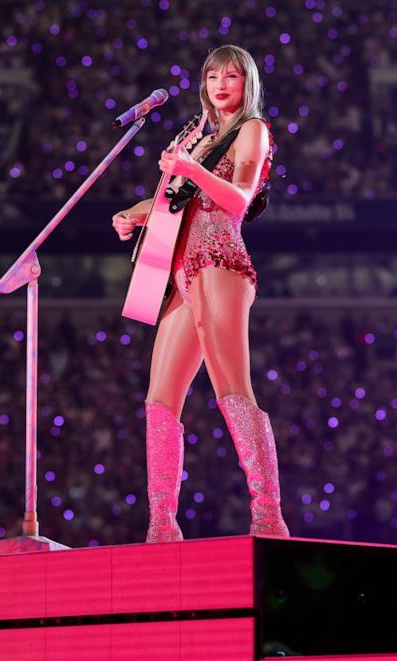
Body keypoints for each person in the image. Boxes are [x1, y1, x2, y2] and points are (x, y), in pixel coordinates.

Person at [111, 45, 290, 542]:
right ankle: (161, 525)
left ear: (246, 83)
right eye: (213, 75)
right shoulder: (198, 135)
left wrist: (190, 169)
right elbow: (175, 202)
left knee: (233, 388)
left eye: (232, 76)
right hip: (182, 270)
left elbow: (237, 198)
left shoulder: (251, 129)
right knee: (159, 399)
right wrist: (134, 213)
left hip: (221, 262)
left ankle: (268, 516)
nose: (221, 84)